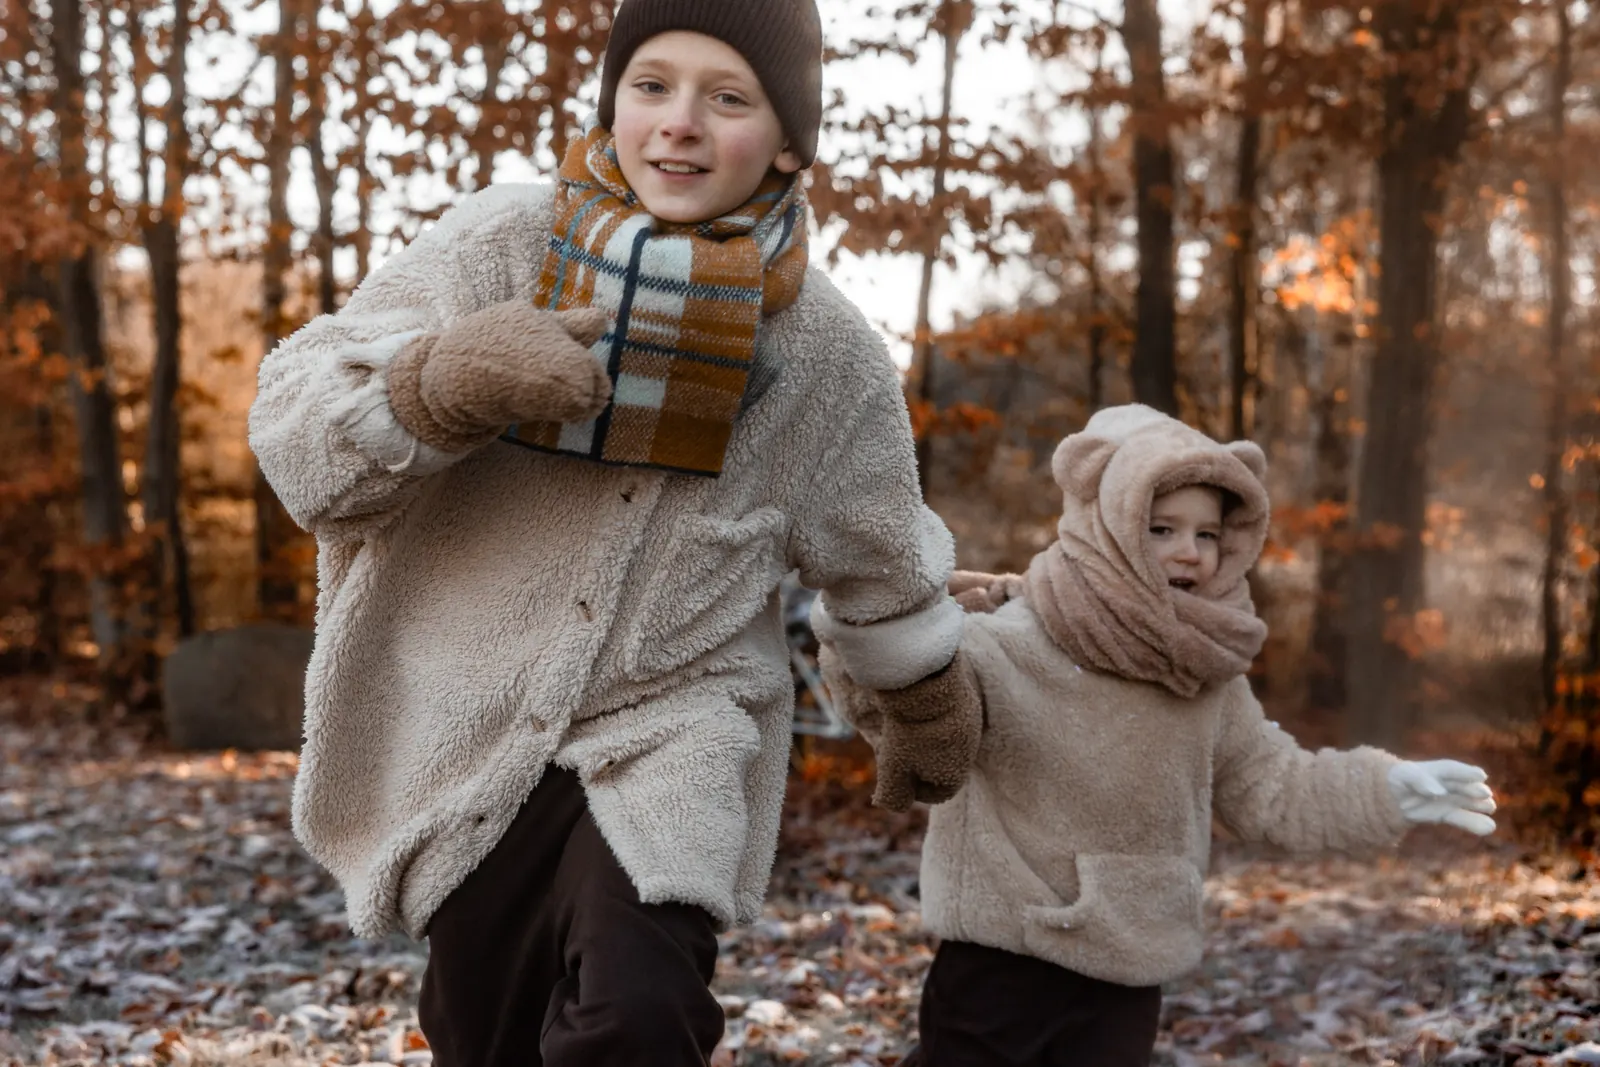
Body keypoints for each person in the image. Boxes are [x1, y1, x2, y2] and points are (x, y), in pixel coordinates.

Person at [247, 2, 982, 1063]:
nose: (679, 122)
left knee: (640, 1017)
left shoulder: (825, 347)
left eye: (726, 98)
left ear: (785, 142)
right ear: (613, 103)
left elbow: (874, 540)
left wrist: (917, 692)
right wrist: (436, 383)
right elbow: (297, 428)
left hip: (675, 722)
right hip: (469, 717)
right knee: (484, 1033)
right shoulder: (501, 240)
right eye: (652, 86)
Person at [820, 404, 1497, 1067]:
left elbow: (1273, 785)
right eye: (1163, 526)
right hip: (1005, 957)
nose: (1189, 552)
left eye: (1208, 535)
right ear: (1106, 522)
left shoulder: (1204, 673)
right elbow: (912, 718)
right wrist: (883, 641)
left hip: (1130, 963)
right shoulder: (1012, 642)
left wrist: (1382, 789)